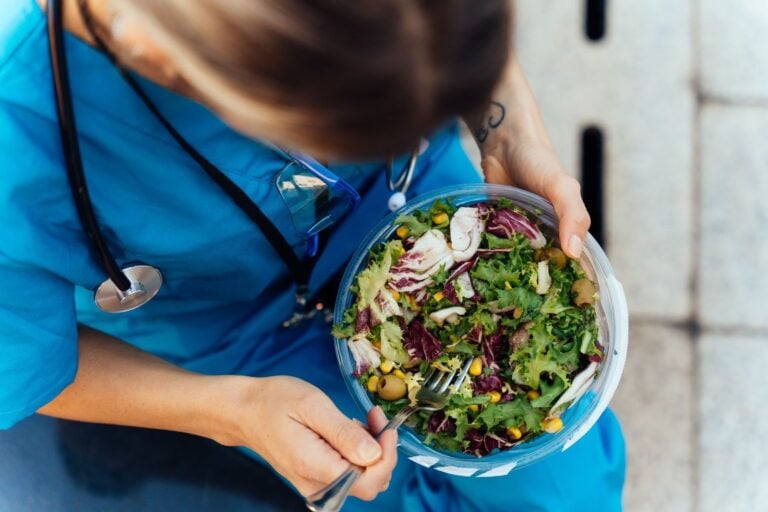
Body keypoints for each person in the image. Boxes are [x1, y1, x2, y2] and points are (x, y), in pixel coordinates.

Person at [0, 0, 625, 510]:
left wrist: (508, 129)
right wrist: (233, 413)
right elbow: (29, 363)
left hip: (405, 203)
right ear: (158, 59)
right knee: (374, 489)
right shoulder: (16, 118)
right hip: (225, 322)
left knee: (571, 493)